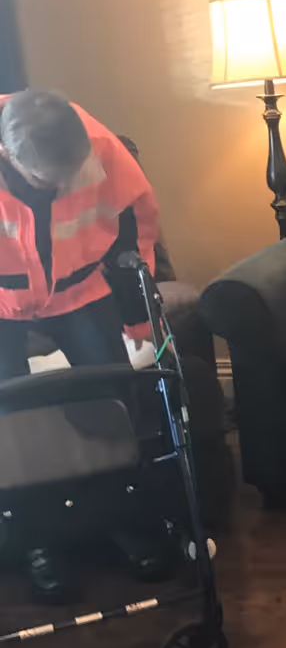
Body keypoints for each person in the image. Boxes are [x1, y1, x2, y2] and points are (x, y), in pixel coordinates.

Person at [0, 88, 171, 601]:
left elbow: (137, 227)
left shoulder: (100, 146)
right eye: (46, 181)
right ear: (7, 155)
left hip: (81, 287)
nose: (61, 189)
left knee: (113, 403)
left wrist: (137, 313)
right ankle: (36, 539)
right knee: (12, 421)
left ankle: (123, 520)